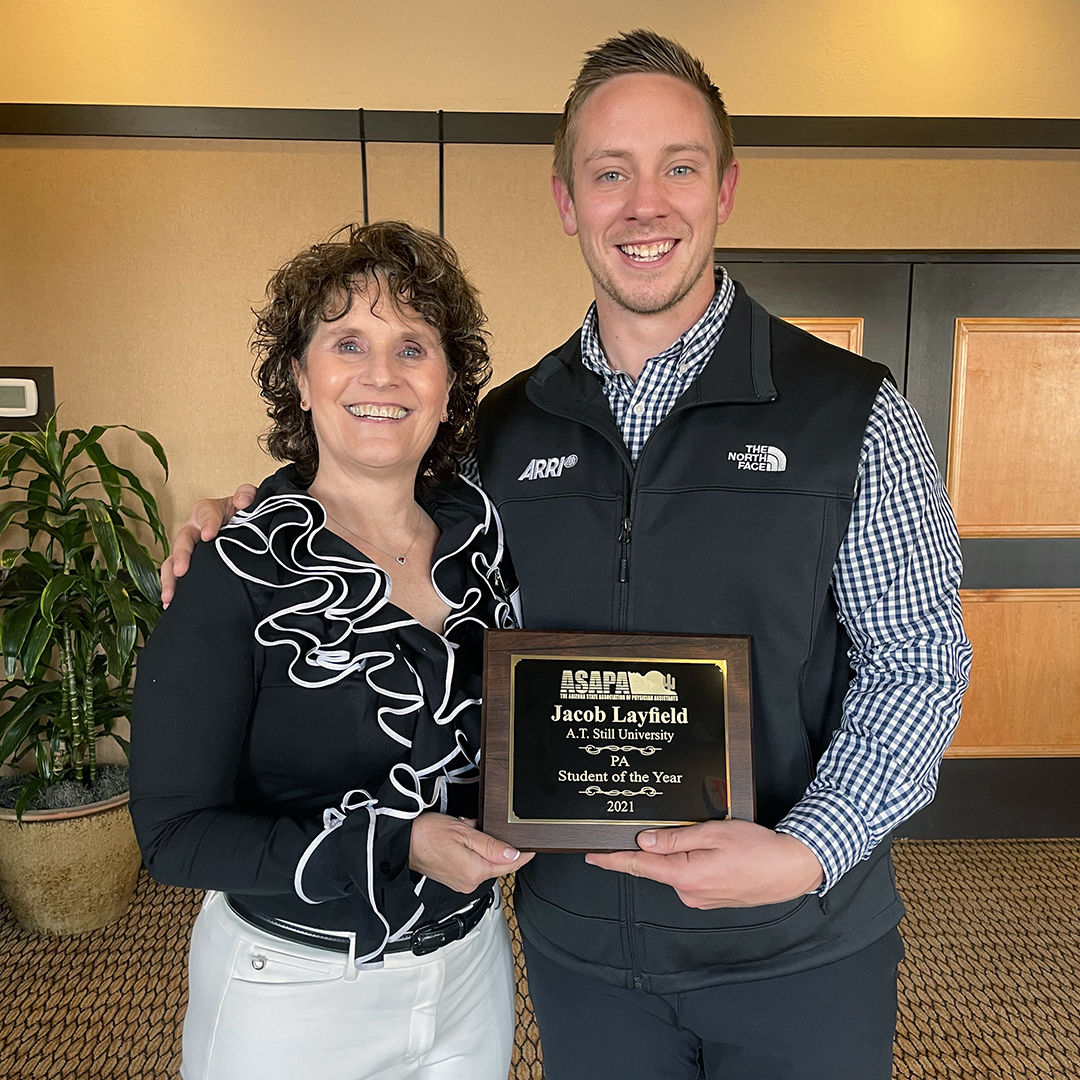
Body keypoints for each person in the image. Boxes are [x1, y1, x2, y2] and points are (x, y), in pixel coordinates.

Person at [163, 30, 972, 1080]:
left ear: (723, 188)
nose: (645, 205)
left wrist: (811, 849)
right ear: (566, 201)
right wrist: (243, 513)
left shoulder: (854, 414)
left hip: (796, 948)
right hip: (578, 955)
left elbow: (918, 664)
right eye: (609, 173)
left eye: (678, 167)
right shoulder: (500, 432)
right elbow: (369, 494)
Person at [131, 220, 532, 1080]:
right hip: (292, 994)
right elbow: (172, 836)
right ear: (300, 379)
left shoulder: (488, 538)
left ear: (448, 383)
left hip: (469, 970)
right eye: (347, 342)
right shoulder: (234, 565)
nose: (381, 375)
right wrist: (395, 841)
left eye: (413, 347)